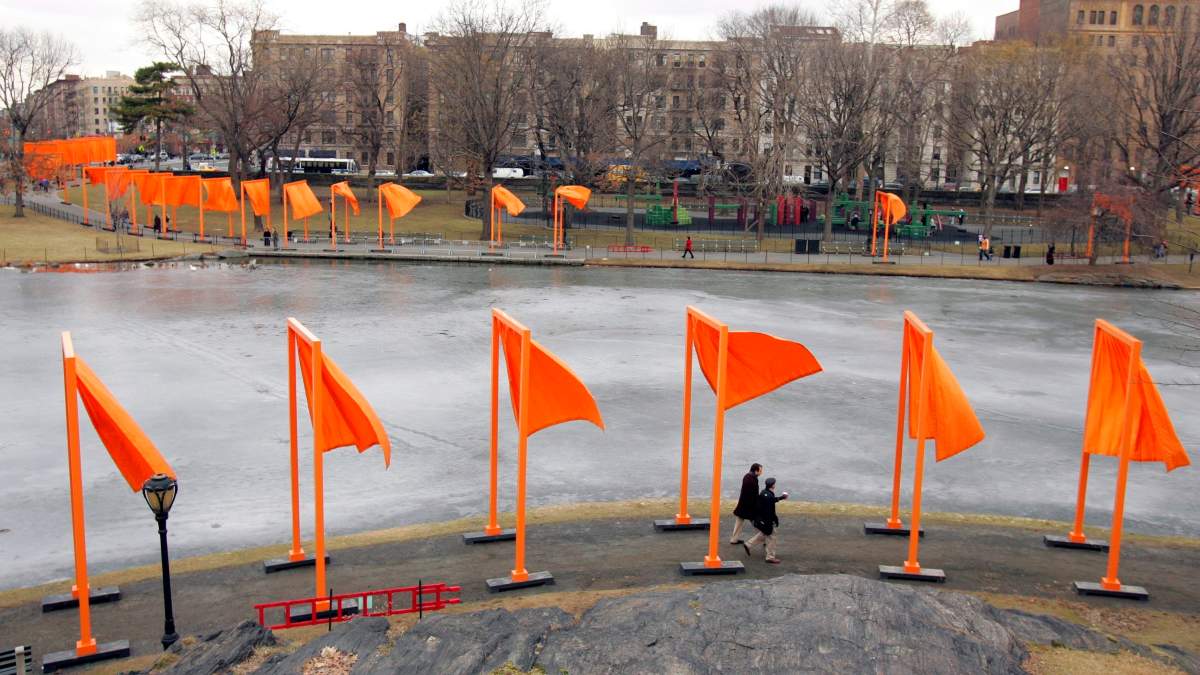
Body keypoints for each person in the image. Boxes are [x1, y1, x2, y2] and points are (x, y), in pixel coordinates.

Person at [743, 477, 788, 564]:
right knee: (772, 538)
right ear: (773, 485)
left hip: (762, 519)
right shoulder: (770, 495)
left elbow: (771, 501)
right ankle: (770, 557)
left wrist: (781, 498)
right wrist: (772, 521)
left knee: (764, 534)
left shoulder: (764, 492)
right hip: (768, 521)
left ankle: (748, 544)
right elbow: (770, 511)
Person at [729, 463, 762, 545]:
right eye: (760, 470)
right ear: (756, 470)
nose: (761, 472)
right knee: (757, 523)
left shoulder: (747, 477)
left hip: (743, 505)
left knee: (739, 522)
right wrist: (757, 505)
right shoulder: (752, 479)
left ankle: (734, 539)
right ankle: (764, 538)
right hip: (749, 507)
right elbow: (753, 495)